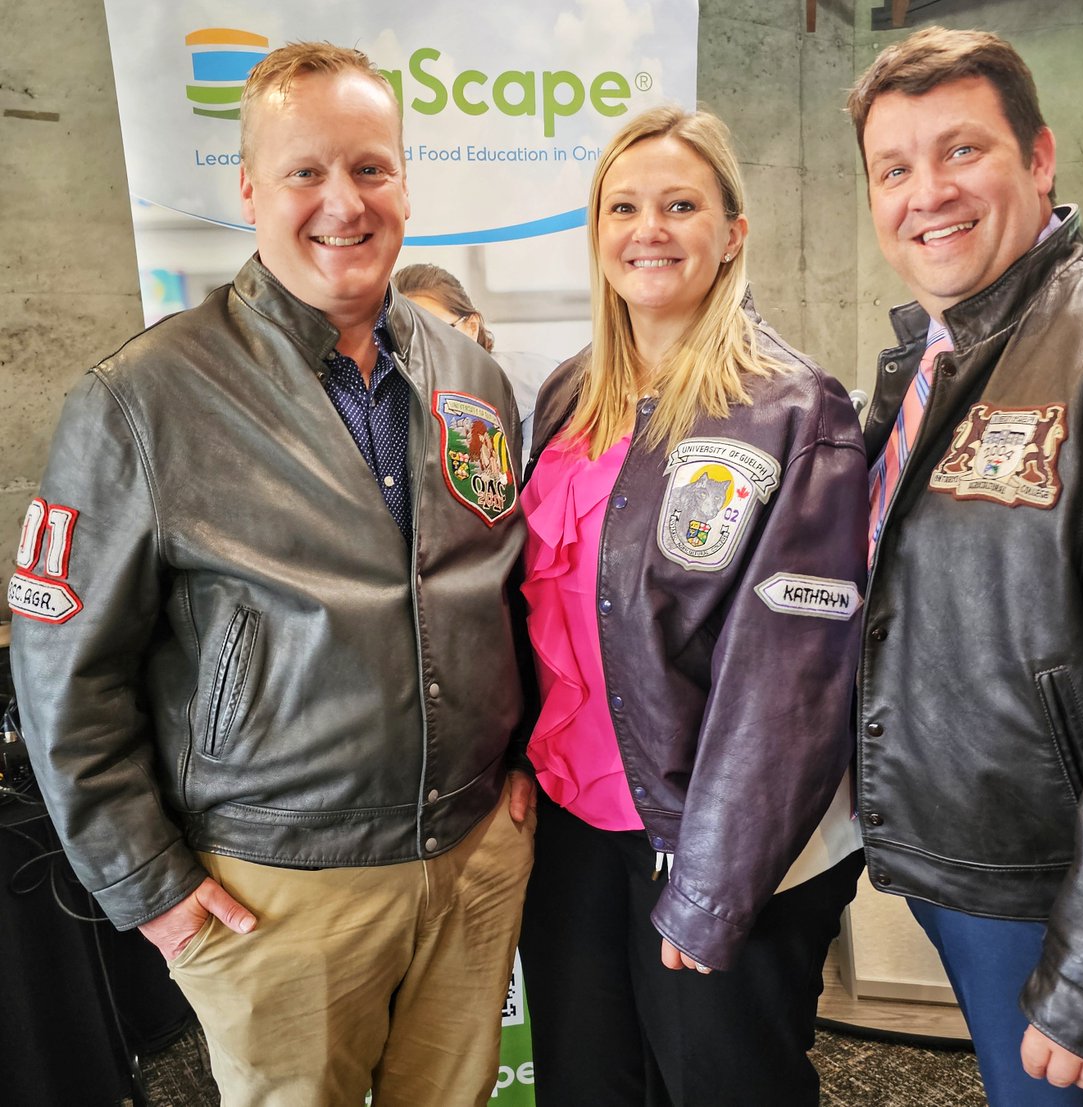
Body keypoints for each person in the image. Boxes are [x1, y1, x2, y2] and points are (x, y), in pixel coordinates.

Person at [9, 42, 534, 1107]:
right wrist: (146, 884)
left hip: (472, 855)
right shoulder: (141, 401)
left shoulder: (469, 374)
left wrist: (515, 759)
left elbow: (499, 589)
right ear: (249, 189)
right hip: (278, 889)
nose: (343, 201)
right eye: (305, 172)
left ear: (402, 181)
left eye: (371, 168)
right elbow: (65, 669)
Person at [848, 25, 1083, 1106]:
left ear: (1039, 158)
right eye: (894, 169)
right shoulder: (937, 350)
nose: (927, 194)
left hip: (1051, 885)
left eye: (962, 152)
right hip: (961, 859)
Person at [517, 105, 867, 1106]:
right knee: (588, 1085)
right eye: (623, 207)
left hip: (714, 841)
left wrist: (713, 889)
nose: (649, 229)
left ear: (733, 232)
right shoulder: (568, 397)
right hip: (573, 828)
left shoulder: (795, 408)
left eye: (681, 205)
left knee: (721, 1087)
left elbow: (793, 688)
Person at [393, 262, 557, 466]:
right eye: (406, 335)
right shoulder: (393, 402)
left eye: (436, 331)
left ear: (471, 327)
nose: (422, 347)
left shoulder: (537, 384)